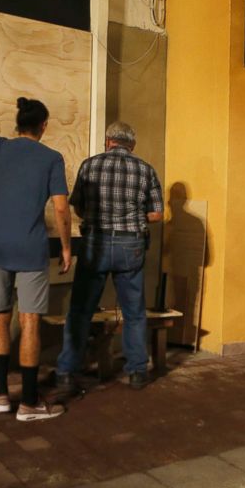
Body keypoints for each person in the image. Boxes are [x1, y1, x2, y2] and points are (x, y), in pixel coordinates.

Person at [0, 83, 72, 421]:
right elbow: (61, 209)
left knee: (1, 316)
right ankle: (30, 402)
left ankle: (2, 395)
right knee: (29, 319)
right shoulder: (51, 158)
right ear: (43, 126)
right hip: (31, 248)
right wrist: (65, 247)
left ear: (18, 124)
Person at [56, 122, 163, 390]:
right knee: (134, 311)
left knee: (81, 310)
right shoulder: (145, 169)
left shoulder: (89, 166)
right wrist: (134, 217)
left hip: (95, 243)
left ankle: (67, 371)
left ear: (108, 141)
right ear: (132, 145)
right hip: (131, 246)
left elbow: (77, 206)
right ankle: (137, 371)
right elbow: (157, 214)